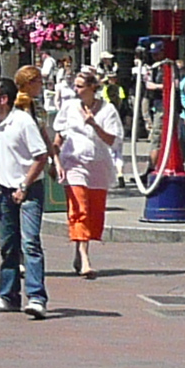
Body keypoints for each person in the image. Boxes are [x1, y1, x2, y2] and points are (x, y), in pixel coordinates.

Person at [0, 77, 49, 318]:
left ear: (4, 99)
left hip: (29, 190)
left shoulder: (23, 122)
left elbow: (41, 157)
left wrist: (24, 185)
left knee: (30, 243)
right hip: (5, 190)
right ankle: (8, 296)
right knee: (8, 246)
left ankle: (37, 298)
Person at [55, 71, 123, 281]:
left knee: (94, 212)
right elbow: (59, 134)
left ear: (92, 87)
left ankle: (80, 249)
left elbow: (113, 140)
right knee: (79, 208)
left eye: (80, 86)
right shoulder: (69, 107)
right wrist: (55, 160)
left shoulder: (108, 109)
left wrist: (94, 124)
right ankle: (85, 259)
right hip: (74, 162)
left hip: (98, 165)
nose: (76, 90)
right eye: (75, 86)